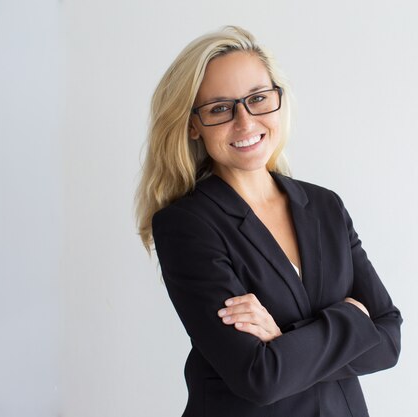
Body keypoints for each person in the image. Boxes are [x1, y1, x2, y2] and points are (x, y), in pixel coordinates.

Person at [135, 25, 402, 417]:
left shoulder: (325, 206)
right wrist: (351, 321)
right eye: (220, 108)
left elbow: (389, 340)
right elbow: (259, 377)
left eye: (258, 98)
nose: (245, 122)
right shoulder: (186, 225)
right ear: (193, 124)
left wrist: (282, 339)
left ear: (278, 100)